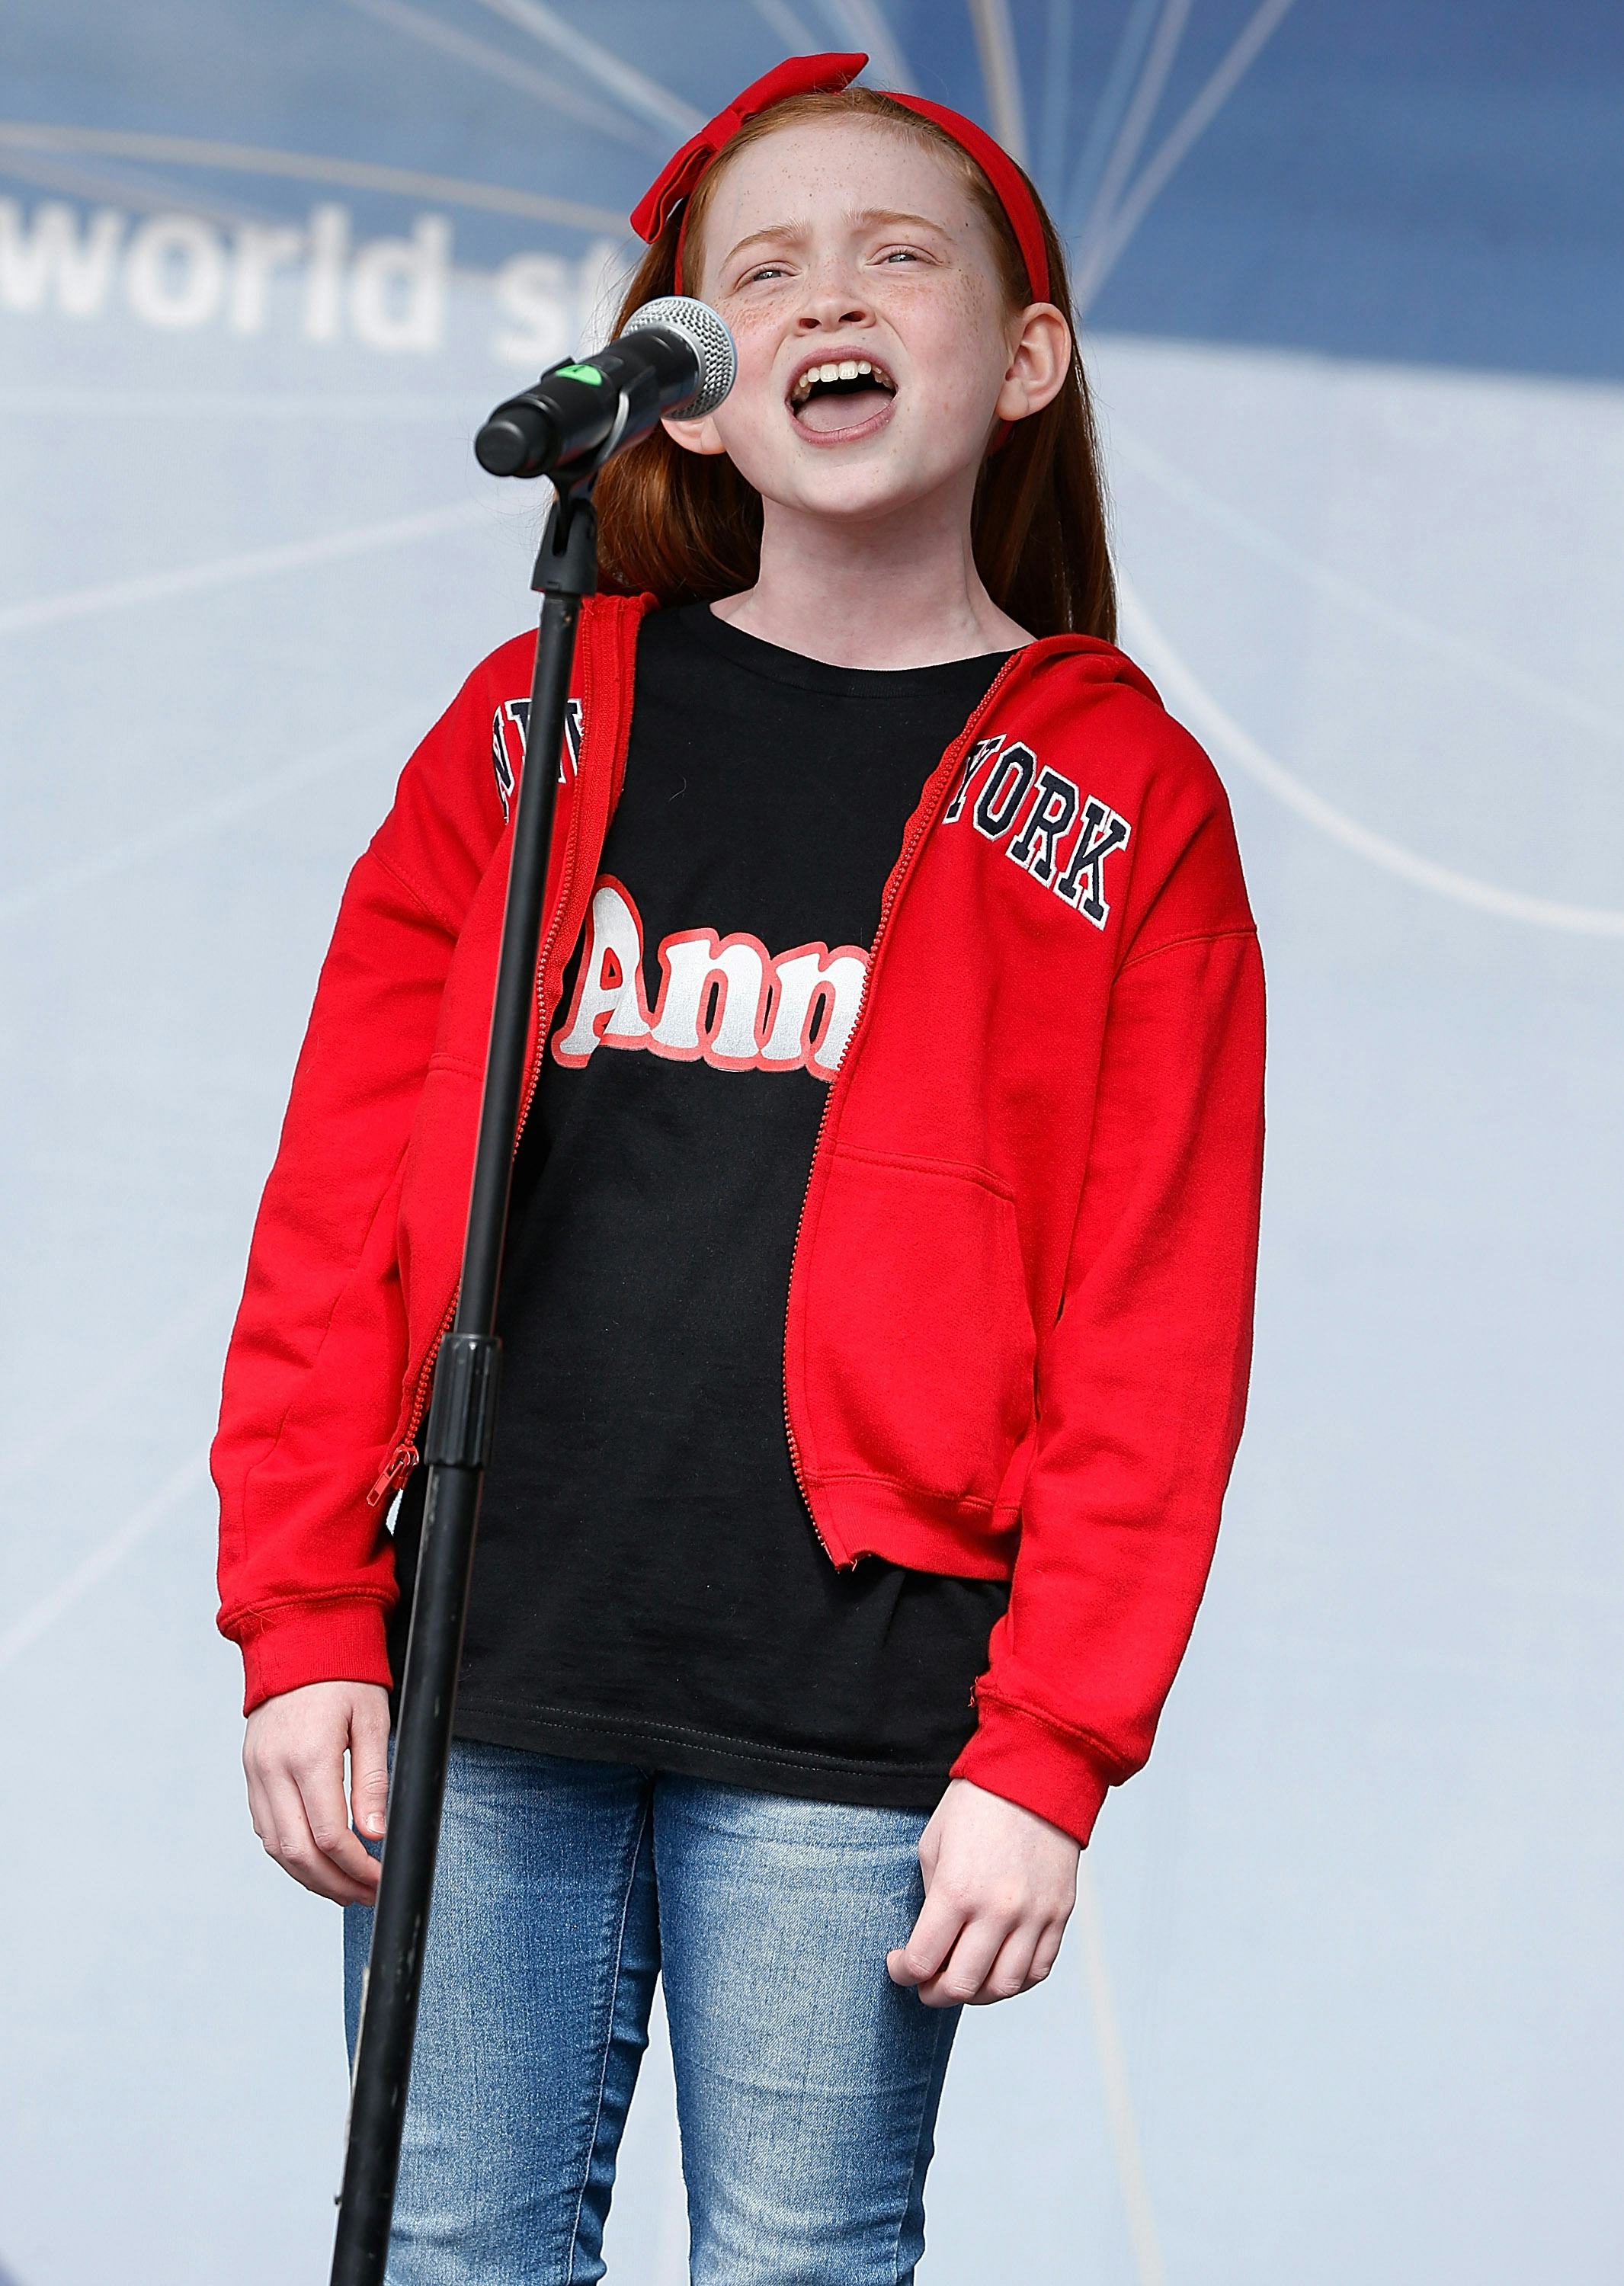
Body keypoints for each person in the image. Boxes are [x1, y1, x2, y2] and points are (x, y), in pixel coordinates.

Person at [213, 52, 1265, 2286]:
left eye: (895, 257)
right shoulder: (536, 715)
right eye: (754, 274)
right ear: (678, 392)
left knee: (799, 2265)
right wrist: (307, 1608)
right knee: (443, 2259)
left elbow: (1153, 1314)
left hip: (859, 1700)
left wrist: (1048, 1747)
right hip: (480, 1668)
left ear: (1025, 359)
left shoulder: (1123, 800)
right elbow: (334, 1202)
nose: (822, 300)